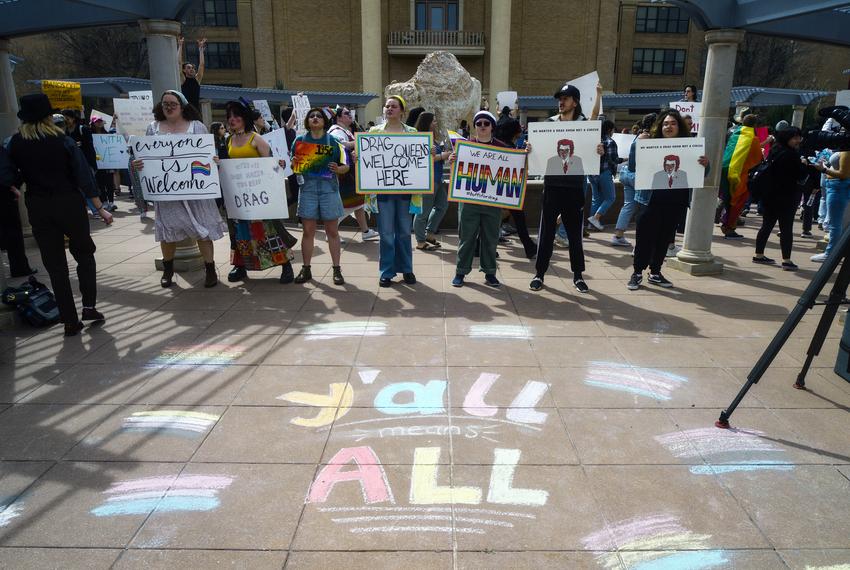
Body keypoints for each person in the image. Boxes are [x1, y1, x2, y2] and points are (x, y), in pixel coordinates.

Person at [0, 94, 113, 336]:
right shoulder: (62, 140)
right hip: (69, 202)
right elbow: (84, 176)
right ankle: (89, 307)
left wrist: (13, 186)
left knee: (55, 265)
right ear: (49, 116)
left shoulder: (15, 142)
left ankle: (69, 319)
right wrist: (99, 207)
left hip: (38, 205)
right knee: (84, 254)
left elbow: (8, 174)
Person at [132, 90, 224, 288]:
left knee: (204, 230)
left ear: (182, 106)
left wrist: (213, 160)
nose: (169, 107)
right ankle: (168, 270)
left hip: (196, 190)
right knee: (167, 231)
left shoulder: (197, 127)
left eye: (173, 103)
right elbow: (147, 157)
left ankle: (210, 269)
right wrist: (139, 164)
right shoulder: (153, 128)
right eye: (165, 103)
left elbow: (206, 153)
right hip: (168, 192)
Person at [527, 82, 603, 293]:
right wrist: (531, 150)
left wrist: (597, 150)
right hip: (552, 187)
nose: (561, 102)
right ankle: (539, 274)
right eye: (560, 98)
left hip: (574, 189)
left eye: (566, 98)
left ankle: (578, 276)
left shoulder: (582, 123)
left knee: (574, 235)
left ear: (575, 102)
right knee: (546, 234)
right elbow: (539, 153)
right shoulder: (549, 123)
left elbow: (594, 121)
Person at [627, 109, 709, 290]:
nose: (669, 126)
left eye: (673, 123)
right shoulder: (649, 143)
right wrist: (636, 146)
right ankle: (637, 272)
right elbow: (633, 166)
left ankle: (655, 272)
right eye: (665, 123)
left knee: (664, 239)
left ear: (679, 126)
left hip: (675, 201)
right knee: (644, 239)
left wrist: (705, 165)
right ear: (659, 126)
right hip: (650, 201)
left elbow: (700, 174)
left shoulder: (689, 147)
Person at [220, 101, 297, 284]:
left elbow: (270, 163)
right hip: (240, 198)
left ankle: (285, 264)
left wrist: (278, 165)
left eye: (236, 115)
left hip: (259, 197)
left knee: (268, 231)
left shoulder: (256, 138)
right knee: (240, 232)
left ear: (244, 118)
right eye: (229, 116)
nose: (232, 119)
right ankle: (240, 265)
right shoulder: (229, 140)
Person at [449, 110, 516, 288]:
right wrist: (453, 160)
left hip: (492, 202)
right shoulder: (465, 147)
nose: (482, 127)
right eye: (479, 124)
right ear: (475, 126)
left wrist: (525, 156)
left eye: (486, 123)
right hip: (469, 201)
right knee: (466, 237)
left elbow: (513, 169)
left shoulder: (503, 147)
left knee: (491, 238)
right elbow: (457, 171)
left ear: (492, 127)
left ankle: (490, 273)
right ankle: (461, 272)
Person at [291, 107, 349, 285]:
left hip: (328, 189)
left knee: (332, 230)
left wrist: (338, 169)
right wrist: (294, 164)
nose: (315, 118)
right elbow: (293, 166)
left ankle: (337, 269)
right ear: (307, 121)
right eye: (312, 116)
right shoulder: (299, 141)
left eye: (318, 116)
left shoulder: (333, 141)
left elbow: (346, 165)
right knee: (308, 231)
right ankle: (306, 269)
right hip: (307, 189)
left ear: (324, 121)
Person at [368, 96, 419, 287]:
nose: (389, 109)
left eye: (394, 106)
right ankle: (386, 272)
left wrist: (428, 152)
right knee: (386, 233)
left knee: (405, 232)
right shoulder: (374, 132)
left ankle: (407, 269)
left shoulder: (412, 132)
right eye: (387, 106)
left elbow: (419, 159)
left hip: (406, 193)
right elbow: (368, 159)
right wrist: (358, 156)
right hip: (383, 192)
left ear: (402, 111)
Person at [752, 126, 810, 270]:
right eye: (795, 137)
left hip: (770, 195)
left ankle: (759, 254)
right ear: (787, 138)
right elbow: (801, 175)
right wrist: (803, 164)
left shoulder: (775, 150)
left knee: (766, 225)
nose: (798, 140)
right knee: (786, 228)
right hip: (786, 196)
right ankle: (787, 260)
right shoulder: (791, 155)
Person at [328, 106, 379, 242]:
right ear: (338, 117)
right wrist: (361, 141)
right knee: (347, 205)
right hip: (344, 173)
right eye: (346, 114)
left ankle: (365, 231)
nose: (350, 116)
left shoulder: (345, 130)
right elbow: (340, 144)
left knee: (358, 203)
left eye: (350, 114)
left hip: (349, 172)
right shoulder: (336, 131)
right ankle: (331, 231)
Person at [496, 117, 537, 258]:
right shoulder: (509, 147)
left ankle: (480, 245)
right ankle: (529, 247)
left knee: (494, 218)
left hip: (499, 189)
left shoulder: (502, 144)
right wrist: (525, 153)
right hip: (507, 190)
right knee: (519, 219)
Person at [719, 114, 763, 239]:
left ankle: (726, 225)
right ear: (754, 125)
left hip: (724, 171)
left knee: (727, 200)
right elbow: (757, 158)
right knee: (736, 203)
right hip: (739, 175)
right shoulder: (753, 139)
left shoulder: (733, 133)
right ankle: (729, 229)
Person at [412, 111, 450, 251]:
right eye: (433, 121)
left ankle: (429, 233)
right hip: (427, 179)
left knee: (442, 205)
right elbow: (423, 158)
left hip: (438, 178)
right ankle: (420, 241)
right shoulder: (419, 138)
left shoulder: (432, 138)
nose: (435, 123)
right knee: (423, 212)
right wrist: (442, 156)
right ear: (426, 122)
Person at [811, 147, 850, 263]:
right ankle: (833, 252)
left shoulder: (846, 151)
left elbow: (843, 174)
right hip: (837, 186)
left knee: (835, 224)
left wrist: (824, 170)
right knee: (838, 223)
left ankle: (830, 254)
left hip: (838, 187)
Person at [587, 120, 622, 231]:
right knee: (610, 198)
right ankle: (595, 218)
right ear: (609, 130)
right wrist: (625, 159)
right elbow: (614, 160)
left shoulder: (593, 140)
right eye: (612, 130)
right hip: (604, 172)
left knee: (595, 199)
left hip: (592, 174)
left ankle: (591, 225)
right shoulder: (610, 141)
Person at [89, 117, 118, 212]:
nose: (99, 123)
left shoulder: (107, 134)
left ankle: (111, 202)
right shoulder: (90, 135)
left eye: (100, 121)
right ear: (93, 123)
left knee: (109, 183)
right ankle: (104, 202)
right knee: (100, 183)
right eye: (97, 122)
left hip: (108, 163)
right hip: (97, 163)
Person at [177, 36, 205, 110]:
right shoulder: (183, 80)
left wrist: (201, 49)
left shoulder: (197, 79)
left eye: (192, 68)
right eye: (188, 68)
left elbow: (201, 65)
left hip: (196, 111)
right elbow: (179, 63)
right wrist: (180, 45)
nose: (192, 69)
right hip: (185, 111)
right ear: (184, 70)